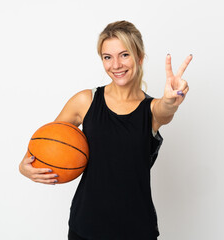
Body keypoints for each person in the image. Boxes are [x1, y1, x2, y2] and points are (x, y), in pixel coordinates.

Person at [19, 20, 191, 240]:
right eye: (107, 57)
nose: (116, 65)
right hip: (86, 226)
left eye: (124, 55)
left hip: (136, 229)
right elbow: (45, 145)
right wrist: (24, 168)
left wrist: (171, 100)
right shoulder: (85, 101)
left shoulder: (153, 110)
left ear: (139, 57)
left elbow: (166, 110)